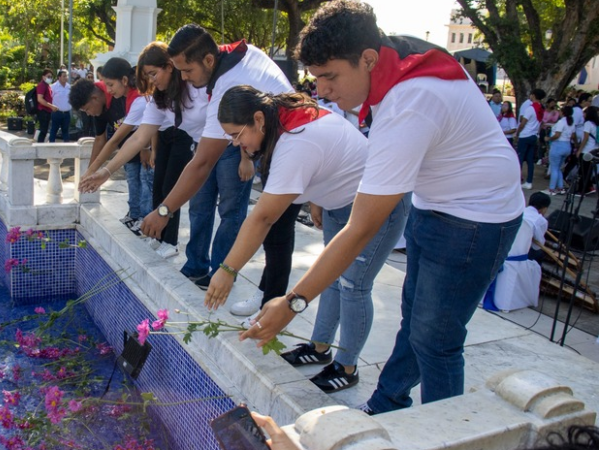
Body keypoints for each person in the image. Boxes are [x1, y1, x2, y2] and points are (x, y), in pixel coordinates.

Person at [240, 0, 523, 415]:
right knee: (417, 321)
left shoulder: (409, 102)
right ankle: (389, 402)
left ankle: (446, 433)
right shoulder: (397, 56)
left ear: (368, 60)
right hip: (435, 203)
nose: (321, 91)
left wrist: (294, 302)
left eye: (330, 76)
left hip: (477, 217)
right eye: (316, 78)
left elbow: (359, 228)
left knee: (436, 339)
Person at [204, 86, 409, 392]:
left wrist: (228, 270)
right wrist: (318, 199)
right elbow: (329, 159)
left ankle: (347, 366)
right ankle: (319, 347)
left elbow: (262, 217)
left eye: (237, 135)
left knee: (354, 286)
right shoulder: (281, 123)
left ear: (258, 119)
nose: (237, 144)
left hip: (377, 206)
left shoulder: (296, 141)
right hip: (340, 204)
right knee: (330, 278)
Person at [138, 24, 293, 290]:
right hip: (274, 145)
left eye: (187, 70)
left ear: (209, 60)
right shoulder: (240, 56)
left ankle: (237, 281)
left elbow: (203, 163)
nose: (184, 78)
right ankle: (265, 294)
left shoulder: (226, 83)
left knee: (263, 224)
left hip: (288, 146)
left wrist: (164, 210)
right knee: (274, 231)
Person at [79, 42, 208, 259]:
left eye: (153, 74)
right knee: (159, 186)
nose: (151, 81)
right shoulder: (157, 99)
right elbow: (138, 138)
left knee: (174, 190)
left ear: (170, 66)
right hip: (173, 137)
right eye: (147, 76)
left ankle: (171, 241)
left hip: (197, 141)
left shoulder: (193, 87)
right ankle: (159, 237)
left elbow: (122, 139)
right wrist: (105, 172)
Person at [70, 59, 152, 233]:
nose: (88, 113)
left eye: (86, 109)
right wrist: (90, 172)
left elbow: (114, 139)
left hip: (144, 143)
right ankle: (135, 214)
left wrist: (147, 148)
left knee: (146, 181)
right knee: (133, 180)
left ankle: (146, 220)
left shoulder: (125, 96)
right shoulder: (103, 103)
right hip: (127, 149)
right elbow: (101, 139)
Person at [516, 88, 546, 190]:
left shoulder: (530, 108)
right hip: (534, 135)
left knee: (519, 158)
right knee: (530, 160)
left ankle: (517, 180)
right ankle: (529, 182)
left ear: (533, 95)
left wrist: (518, 132)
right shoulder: (541, 109)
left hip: (525, 135)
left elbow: (523, 123)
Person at [544, 105, 576, 195]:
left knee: (554, 168)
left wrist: (549, 139)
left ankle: (552, 189)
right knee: (558, 168)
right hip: (567, 146)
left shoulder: (561, 122)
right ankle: (560, 187)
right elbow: (573, 136)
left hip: (558, 146)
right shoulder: (571, 123)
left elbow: (557, 135)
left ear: (563, 113)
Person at [575, 106, 599, 195]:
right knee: (588, 171)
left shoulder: (588, 123)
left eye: (585, 113)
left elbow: (585, 138)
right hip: (594, 150)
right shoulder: (596, 124)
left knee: (583, 171)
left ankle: (582, 190)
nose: (583, 114)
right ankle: (589, 187)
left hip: (586, 151)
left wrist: (579, 150)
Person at [525, 192, 551, 263]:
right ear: (544, 208)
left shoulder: (520, 211)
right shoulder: (541, 220)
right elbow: (538, 244)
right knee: (539, 253)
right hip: (527, 250)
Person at [35, 68, 58, 143]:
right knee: (43, 130)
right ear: (43, 77)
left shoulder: (47, 85)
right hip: (43, 111)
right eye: (48, 76)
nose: (50, 78)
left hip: (47, 111)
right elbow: (40, 99)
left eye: (51, 77)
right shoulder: (42, 85)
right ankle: (40, 146)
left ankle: (41, 145)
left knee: (44, 130)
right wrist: (51, 106)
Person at [49, 70, 72, 142]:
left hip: (66, 113)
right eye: (64, 76)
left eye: (66, 76)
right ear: (59, 77)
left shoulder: (69, 87)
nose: (66, 78)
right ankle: (51, 147)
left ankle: (67, 149)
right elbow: (50, 98)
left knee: (66, 132)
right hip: (57, 112)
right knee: (54, 130)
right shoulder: (53, 87)